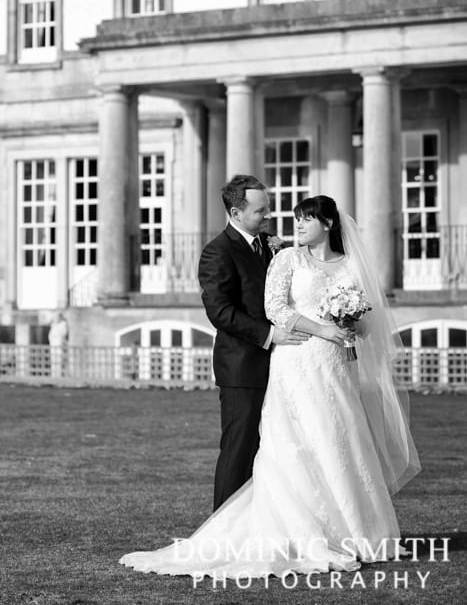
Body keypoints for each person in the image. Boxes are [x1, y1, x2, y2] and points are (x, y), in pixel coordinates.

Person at [120, 195, 420, 579]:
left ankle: (351, 531)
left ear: (328, 224)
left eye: (305, 219)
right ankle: (254, 528)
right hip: (293, 359)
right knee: (283, 446)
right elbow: (274, 310)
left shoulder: (341, 264)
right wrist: (323, 328)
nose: (287, 223)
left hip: (335, 366)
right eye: (266, 211)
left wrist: (349, 323)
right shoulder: (281, 258)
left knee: (339, 440)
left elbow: (363, 323)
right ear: (237, 212)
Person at [197, 174, 309, 510]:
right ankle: (222, 528)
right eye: (261, 211)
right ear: (236, 212)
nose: (269, 217)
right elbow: (220, 312)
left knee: (273, 448)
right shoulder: (217, 252)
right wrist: (272, 335)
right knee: (239, 449)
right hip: (241, 369)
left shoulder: (270, 245)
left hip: (279, 367)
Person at [47, 311, 69, 377]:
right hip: (53, 345)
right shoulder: (55, 325)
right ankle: (54, 376)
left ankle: (58, 376)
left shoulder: (63, 324)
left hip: (59, 345)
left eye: (57, 317)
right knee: (54, 362)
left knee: (59, 362)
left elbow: (62, 335)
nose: (55, 319)